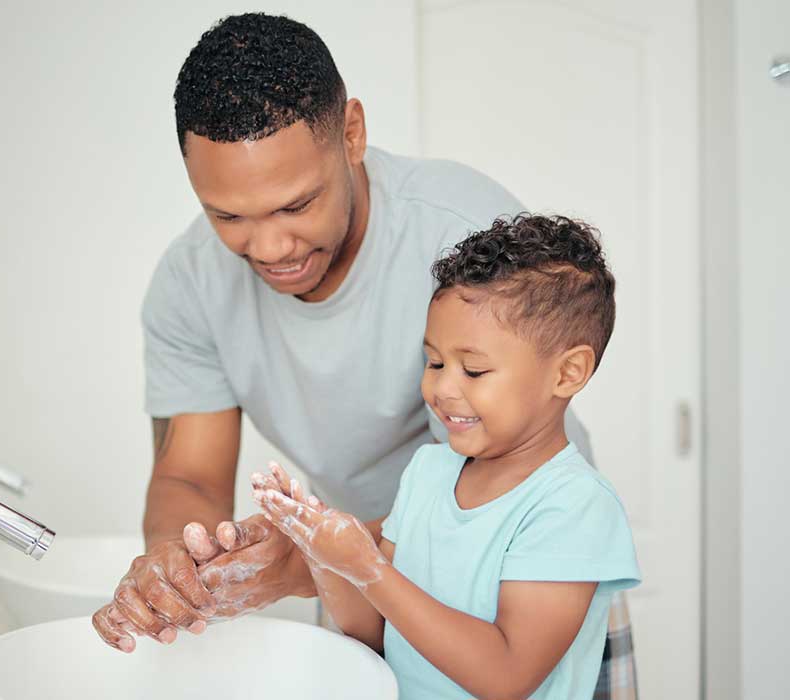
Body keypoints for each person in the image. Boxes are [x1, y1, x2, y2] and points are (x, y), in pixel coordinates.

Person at [91, 13, 639, 698]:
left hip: (517, 565)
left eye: (298, 204)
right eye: (229, 216)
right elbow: (190, 477)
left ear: (352, 133)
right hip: (363, 565)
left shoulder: (458, 239)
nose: (269, 248)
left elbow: (482, 502)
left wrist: (320, 557)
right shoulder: (189, 283)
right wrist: (174, 563)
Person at [252, 214, 640, 699]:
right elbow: (376, 634)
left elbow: (507, 676)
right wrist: (326, 554)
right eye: (434, 361)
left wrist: (371, 568)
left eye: (474, 370)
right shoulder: (428, 473)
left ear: (568, 373)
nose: (441, 387)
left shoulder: (574, 506)